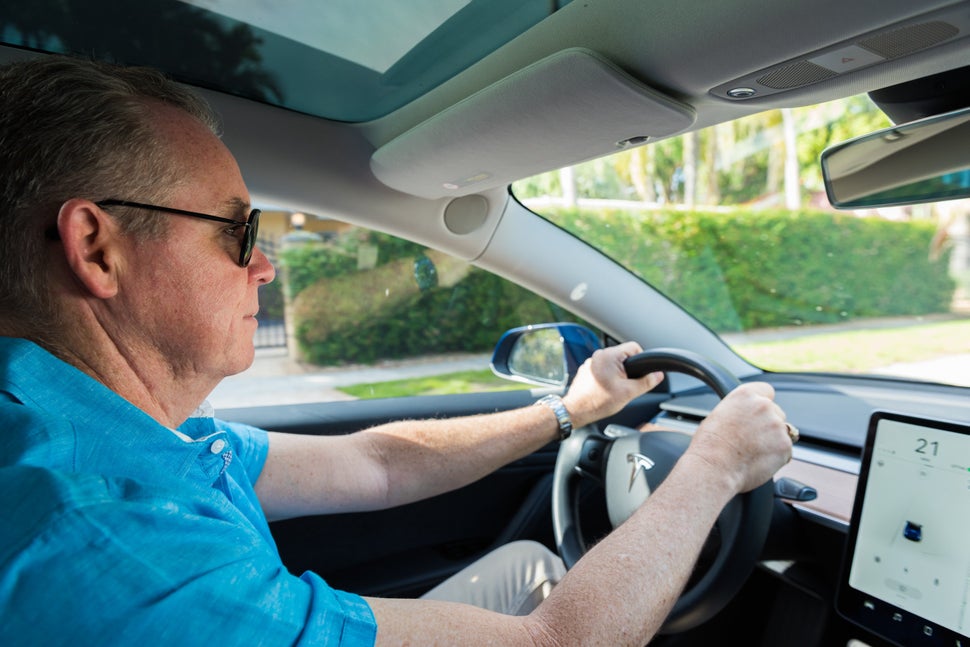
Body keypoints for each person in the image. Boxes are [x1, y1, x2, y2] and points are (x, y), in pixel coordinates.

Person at [0, 55, 794, 646]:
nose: (265, 264)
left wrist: (567, 409)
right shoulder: (118, 547)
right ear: (97, 249)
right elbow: (564, 640)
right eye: (237, 229)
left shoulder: (115, 438)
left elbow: (376, 464)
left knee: (525, 563)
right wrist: (716, 465)